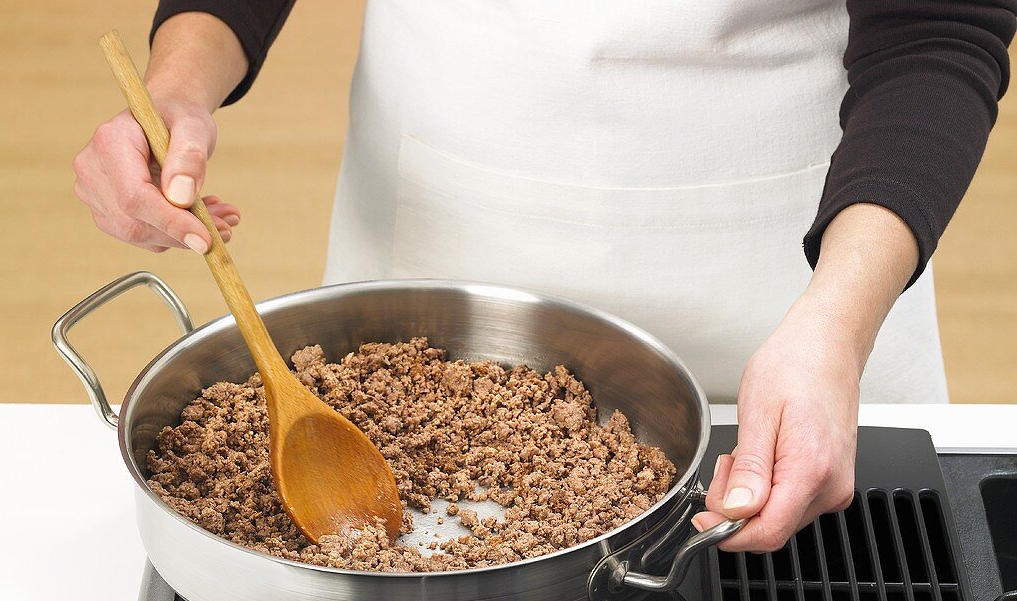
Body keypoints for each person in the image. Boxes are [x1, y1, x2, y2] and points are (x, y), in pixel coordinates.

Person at [72, 1, 1015, 553]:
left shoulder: (824, 316)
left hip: (799, 275)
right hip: (440, 222)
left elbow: (938, 27)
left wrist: (836, 326)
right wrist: (176, 87)